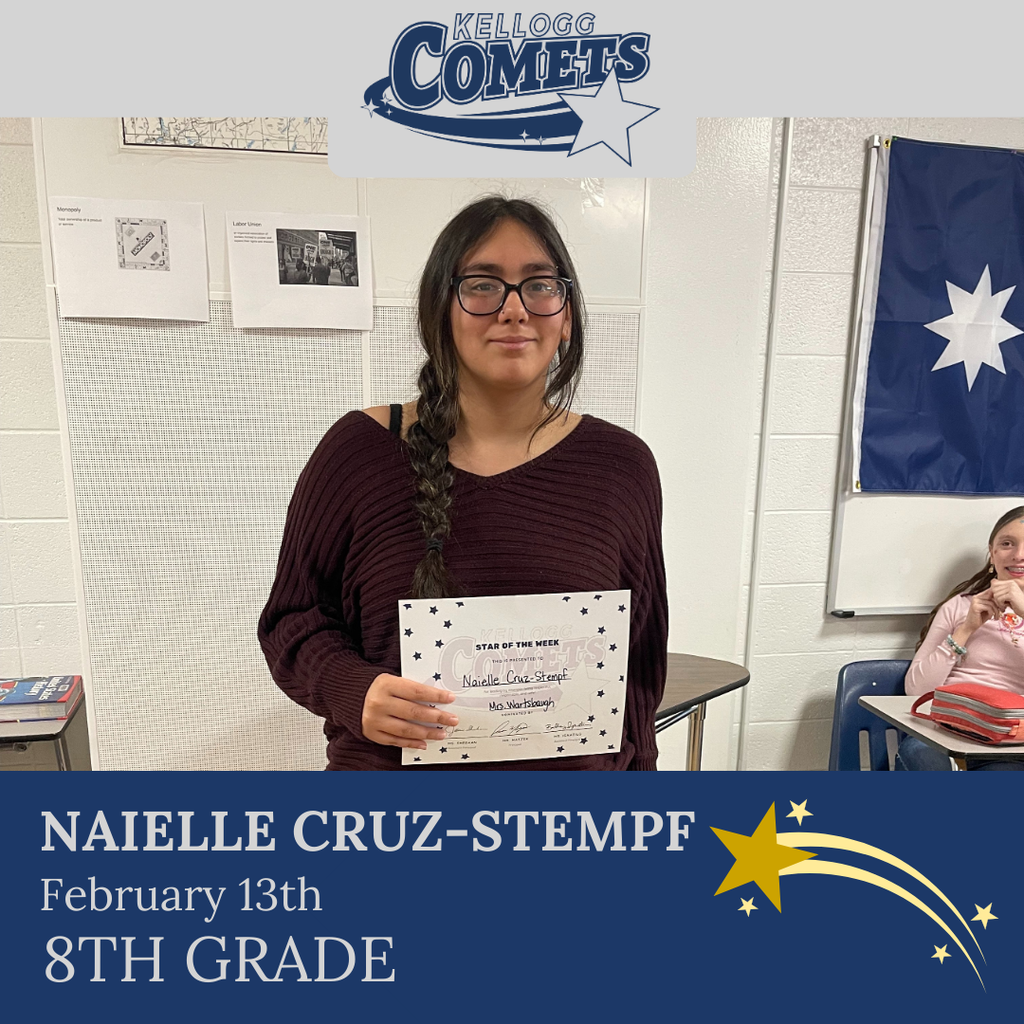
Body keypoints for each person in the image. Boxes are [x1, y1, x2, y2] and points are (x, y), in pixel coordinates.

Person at [258, 195, 668, 770]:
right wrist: (353, 689)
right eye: (482, 285)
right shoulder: (359, 451)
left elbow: (638, 668)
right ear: (440, 311)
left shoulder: (622, 466)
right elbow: (291, 619)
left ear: (566, 316)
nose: (514, 309)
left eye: (540, 285)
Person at [896, 506, 1024, 770]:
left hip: (1007, 740)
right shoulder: (959, 606)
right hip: (945, 726)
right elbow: (916, 689)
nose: (1019, 555)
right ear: (992, 553)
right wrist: (966, 629)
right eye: (1007, 544)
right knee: (920, 755)